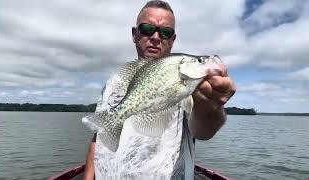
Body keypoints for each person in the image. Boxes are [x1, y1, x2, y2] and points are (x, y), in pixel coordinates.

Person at [84, 1, 235, 179]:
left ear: (172, 39)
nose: (156, 37)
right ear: (134, 34)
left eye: (165, 32)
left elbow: (203, 132)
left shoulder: (193, 87)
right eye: (147, 28)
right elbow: (99, 137)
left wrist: (210, 106)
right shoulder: (113, 83)